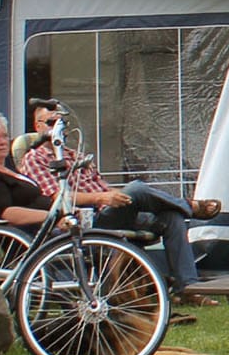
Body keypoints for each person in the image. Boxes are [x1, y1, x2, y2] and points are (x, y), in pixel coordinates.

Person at [18, 98, 206, 295]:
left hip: (111, 213)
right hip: (85, 221)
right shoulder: (34, 158)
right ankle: (188, 206)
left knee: (170, 218)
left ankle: (188, 288)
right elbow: (56, 196)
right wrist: (102, 198)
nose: (57, 127)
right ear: (38, 126)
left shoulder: (76, 155)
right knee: (137, 188)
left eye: (61, 123)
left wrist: (116, 195)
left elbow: (104, 187)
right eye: (50, 123)